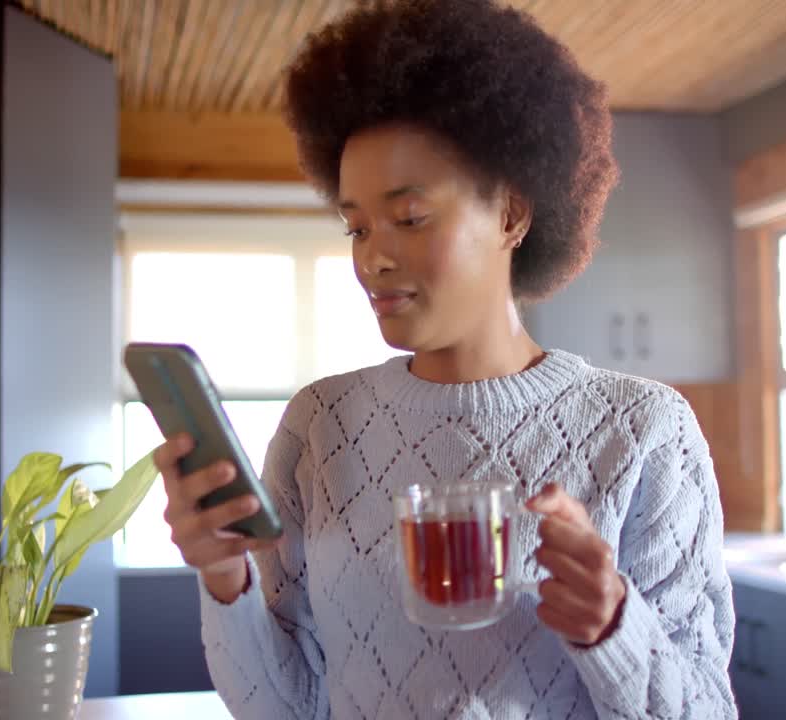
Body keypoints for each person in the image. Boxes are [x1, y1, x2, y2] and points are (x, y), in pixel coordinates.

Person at [154, 0, 736, 717]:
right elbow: (283, 706)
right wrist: (223, 576)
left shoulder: (646, 429)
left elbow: (709, 707)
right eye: (356, 227)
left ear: (512, 215)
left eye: (410, 217)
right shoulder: (320, 424)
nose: (373, 257)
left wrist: (614, 624)